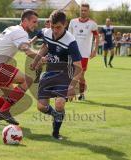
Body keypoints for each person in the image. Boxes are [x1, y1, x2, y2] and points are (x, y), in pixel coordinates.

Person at [31, 10, 82, 140]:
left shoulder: (71, 41)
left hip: (65, 73)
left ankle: (55, 133)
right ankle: (56, 115)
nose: (55, 30)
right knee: (41, 107)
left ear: (65, 24)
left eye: (58, 27)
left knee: (59, 103)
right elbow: (45, 46)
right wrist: (36, 60)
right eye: (53, 27)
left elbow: (79, 67)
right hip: (49, 72)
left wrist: (72, 87)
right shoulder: (47, 32)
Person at [0, 9, 39, 125]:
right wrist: (41, 58)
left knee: (10, 94)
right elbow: (27, 51)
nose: (36, 24)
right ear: (25, 21)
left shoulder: (13, 29)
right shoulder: (21, 32)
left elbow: (25, 45)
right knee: (27, 80)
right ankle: (4, 112)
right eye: (34, 21)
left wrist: (38, 51)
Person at [68, 2, 99, 100]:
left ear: (88, 11)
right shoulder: (73, 22)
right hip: (73, 52)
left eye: (85, 11)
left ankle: (81, 93)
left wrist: (95, 49)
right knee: (71, 73)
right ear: (79, 10)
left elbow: (97, 37)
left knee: (80, 75)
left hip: (84, 54)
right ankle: (71, 93)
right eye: (82, 10)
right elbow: (68, 36)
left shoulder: (92, 24)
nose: (83, 12)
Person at [29, 19, 51, 83]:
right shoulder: (43, 30)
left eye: (49, 23)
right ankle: (38, 76)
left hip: (51, 50)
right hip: (44, 49)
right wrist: (30, 42)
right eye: (46, 23)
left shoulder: (54, 31)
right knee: (38, 63)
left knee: (47, 63)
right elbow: (36, 37)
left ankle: (49, 78)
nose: (47, 25)